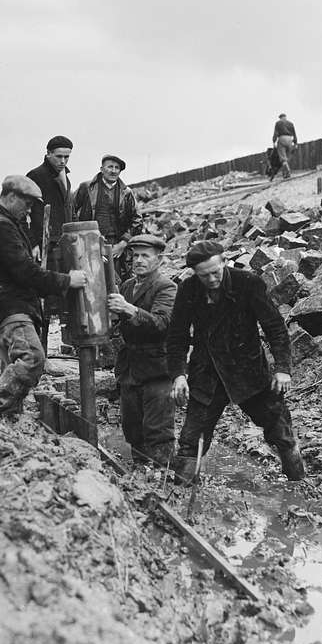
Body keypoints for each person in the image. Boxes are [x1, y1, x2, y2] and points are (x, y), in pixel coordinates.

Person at [166, 240, 305, 484]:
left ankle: (298, 484)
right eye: (204, 275)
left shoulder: (247, 283)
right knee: (191, 441)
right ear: (194, 273)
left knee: (281, 432)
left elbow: (275, 328)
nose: (211, 279)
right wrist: (178, 374)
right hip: (207, 374)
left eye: (215, 272)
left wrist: (283, 369)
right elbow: (176, 336)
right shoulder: (188, 289)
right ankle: (182, 493)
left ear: (224, 263)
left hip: (248, 371)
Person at [0, 175, 87, 416]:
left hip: (1, 307)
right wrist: (68, 281)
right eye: (26, 204)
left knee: (13, 367)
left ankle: (9, 423)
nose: (28, 210)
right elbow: (26, 272)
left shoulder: (2, 221)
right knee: (33, 357)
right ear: (11, 196)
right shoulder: (0, 225)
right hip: (10, 308)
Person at [106, 234, 177, 464]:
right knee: (132, 428)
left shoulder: (166, 287)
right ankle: (140, 474)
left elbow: (161, 323)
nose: (138, 260)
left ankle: (164, 479)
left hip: (157, 369)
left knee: (157, 430)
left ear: (159, 260)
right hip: (131, 368)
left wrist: (129, 309)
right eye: (135, 255)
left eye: (145, 256)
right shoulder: (127, 286)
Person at [26, 135, 76, 349]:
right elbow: (28, 213)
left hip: (62, 243)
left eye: (67, 157)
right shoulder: (35, 176)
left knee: (63, 298)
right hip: (44, 245)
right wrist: (34, 242)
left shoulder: (66, 176)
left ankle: (67, 342)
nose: (63, 161)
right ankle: (40, 350)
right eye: (59, 156)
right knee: (43, 298)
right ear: (47, 154)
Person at [73, 154, 142, 282]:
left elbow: (137, 219)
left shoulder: (126, 193)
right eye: (110, 166)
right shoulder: (86, 188)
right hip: (91, 243)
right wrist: (85, 236)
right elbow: (71, 210)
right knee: (93, 280)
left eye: (117, 168)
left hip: (117, 245)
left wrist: (123, 243)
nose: (113, 170)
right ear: (101, 169)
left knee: (118, 281)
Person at [272, 113, 298, 180]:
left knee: (283, 158)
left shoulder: (278, 123)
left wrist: (274, 141)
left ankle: (287, 170)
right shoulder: (290, 123)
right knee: (287, 157)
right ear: (285, 117)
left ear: (280, 118)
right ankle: (285, 175)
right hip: (290, 139)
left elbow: (276, 133)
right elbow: (294, 133)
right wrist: (295, 143)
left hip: (282, 138)